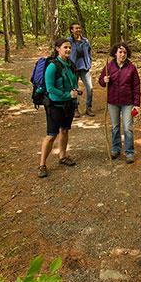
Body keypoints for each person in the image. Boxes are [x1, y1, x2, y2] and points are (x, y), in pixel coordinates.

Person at [37, 38, 80, 178]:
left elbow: (73, 82)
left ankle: (63, 156)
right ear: (57, 49)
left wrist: (75, 91)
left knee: (65, 130)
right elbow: (50, 88)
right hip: (55, 105)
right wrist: (67, 94)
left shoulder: (71, 64)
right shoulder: (52, 66)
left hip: (68, 105)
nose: (68, 50)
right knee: (51, 135)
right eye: (65, 47)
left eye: (69, 47)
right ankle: (42, 165)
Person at [98, 42, 141, 164]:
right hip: (112, 102)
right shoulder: (109, 66)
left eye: (125, 52)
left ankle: (129, 152)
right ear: (115, 53)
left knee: (128, 128)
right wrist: (104, 80)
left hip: (128, 102)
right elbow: (101, 81)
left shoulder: (131, 68)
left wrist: (137, 104)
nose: (122, 54)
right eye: (120, 52)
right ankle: (116, 149)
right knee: (115, 127)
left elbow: (137, 86)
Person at [68, 23, 94, 117]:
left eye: (79, 28)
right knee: (74, 89)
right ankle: (75, 109)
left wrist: (89, 62)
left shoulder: (85, 41)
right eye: (76, 28)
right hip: (73, 68)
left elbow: (89, 52)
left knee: (90, 88)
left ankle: (88, 108)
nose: (78, 29)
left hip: (84, 68)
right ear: (72, 30)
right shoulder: (68, 41)